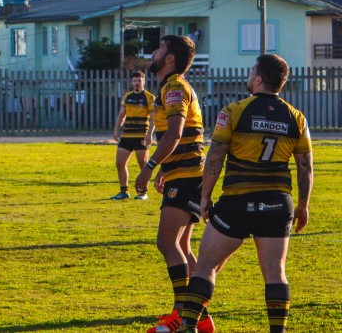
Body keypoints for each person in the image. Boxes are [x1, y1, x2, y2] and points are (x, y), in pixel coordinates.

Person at [174, 54, 313, 333]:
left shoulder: (234, 111)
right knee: (275, 272)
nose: (249, 76)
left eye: (252, 72)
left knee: (206, 266)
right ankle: (278, 331)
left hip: (237, 202)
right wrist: (303, 206)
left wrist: (204, 197)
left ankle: (188, 326)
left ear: (259, 79)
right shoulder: (296, 117)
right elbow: (305, 167)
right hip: (277, 204)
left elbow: (215, 156)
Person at [133, 36, 215, 333]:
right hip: (185, 172)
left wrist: (150, 166)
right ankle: (200, 317)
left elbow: (176, 132)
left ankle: (181, 315)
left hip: (188, 175)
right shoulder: (172, 87)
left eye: (159, 49)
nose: (153, 52)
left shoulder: (175, 87)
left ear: (169, 58)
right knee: (181, 244)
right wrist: (165, 167)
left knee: (166, 242)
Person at [111, 70, 155, 200]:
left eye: (139, 80)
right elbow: (121, 115)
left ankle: (143, 192)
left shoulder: (149, 97)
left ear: (144, 81)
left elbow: (153, 118)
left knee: (143, 164)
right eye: (135, 80)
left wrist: (149, 135)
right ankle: (124, 191)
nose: (137, 83)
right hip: (127, 135)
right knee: (119, 163)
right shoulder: (127, 96)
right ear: (132, 82)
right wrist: (116, 131)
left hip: (141, 136)